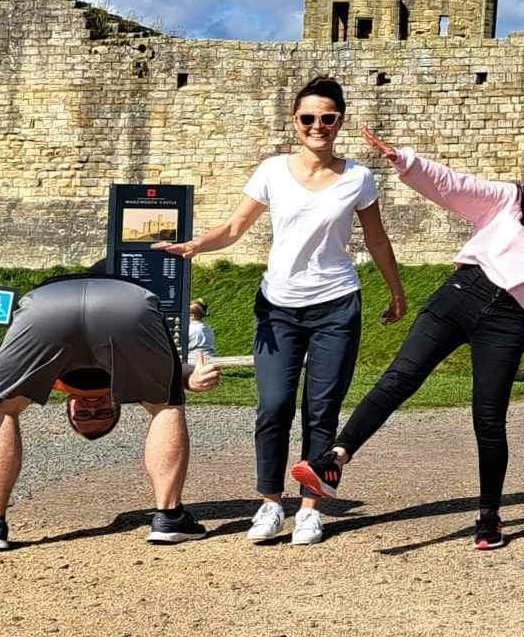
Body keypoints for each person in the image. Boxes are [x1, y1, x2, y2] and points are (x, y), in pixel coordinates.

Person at [291, 129, 524, 551]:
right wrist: (406, 161)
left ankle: (489, 516)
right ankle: (335, 460)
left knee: (489, 419)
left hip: (506, 321)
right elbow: (454, 185)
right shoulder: (509, 200)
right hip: (460, 295)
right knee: (399, 378)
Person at [154, 77, 408, 546]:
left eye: (327, 118)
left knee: (321, 409)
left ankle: (311, 508)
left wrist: (396, 292)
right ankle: (270, 503)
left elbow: (376, 238)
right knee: (273, 406)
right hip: (278, 307)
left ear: (340, 122)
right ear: (295, 122)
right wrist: (195, 246)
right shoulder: (272, 170)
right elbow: (235, 226)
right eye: (308, 118)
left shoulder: (358, 178)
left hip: (336, 304)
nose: (318, 126)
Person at [0, 272, 223, 552]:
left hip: (49, 305)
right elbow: (175, 374)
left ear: (70, 408)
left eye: (84, 416)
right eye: (102, 414)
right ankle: (170, 518)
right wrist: (193, 379)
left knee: (2, 405)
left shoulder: (53, 381)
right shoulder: (132, 382)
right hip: (123, 300)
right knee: (165, 404)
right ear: (117, 406)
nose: (92, 409)